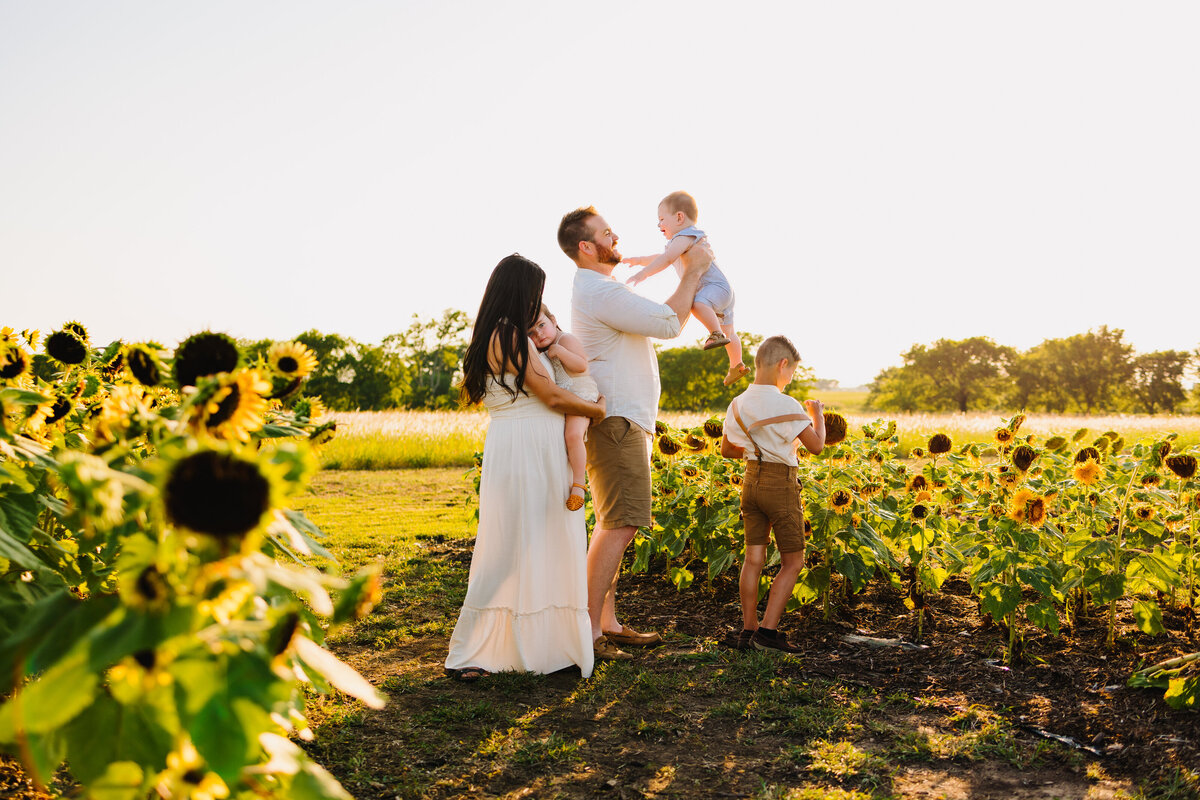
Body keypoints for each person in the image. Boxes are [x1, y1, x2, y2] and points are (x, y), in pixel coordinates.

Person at [558, 205, 711, 661]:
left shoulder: (601, 289)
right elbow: (668, 324)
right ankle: (587, 633)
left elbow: (667, 321)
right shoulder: (597, 289)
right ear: (586, 247)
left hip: (627, 419)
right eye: (606, 233)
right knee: (621, 523)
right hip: (618, 420)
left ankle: (606, 623)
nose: (615, 236)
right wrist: (695, 270)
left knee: (613, 522)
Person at [445, 254, 606, 682]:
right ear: (520, 291)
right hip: (525, 446)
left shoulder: (503, 334)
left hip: (532, 443)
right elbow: (551, 396)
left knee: (542, 540)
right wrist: (596, 409)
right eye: (535, 290)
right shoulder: (508, 334)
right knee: (512, 542)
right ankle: (475, 650)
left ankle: (547, 646)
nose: (539, 299)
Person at [720, 335, 826, 653]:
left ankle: (747, 630)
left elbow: (726, 449)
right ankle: (767, 633)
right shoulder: (786, 404)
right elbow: (817, 445)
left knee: (753, 559)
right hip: (780, 485)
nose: (790, 377)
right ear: (783, 365)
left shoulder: (737, 403)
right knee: (793, 560)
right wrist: (817, 414)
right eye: (791, 371)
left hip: (750, 482)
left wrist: (759, 452)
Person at [623, 191, 748, 387]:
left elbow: (666, 259)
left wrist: (644, 273)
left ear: (679, 217)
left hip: (713, 288)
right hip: (723, 291)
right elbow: (662, 256)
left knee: (697, 303)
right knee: (730, 331)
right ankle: (736, 365)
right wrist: (640, 260)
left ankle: (715, 334)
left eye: (662, 219)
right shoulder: (682, 242)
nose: (659, 225)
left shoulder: (686, 236)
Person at [528, 303, 598, 511]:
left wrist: (560, 352)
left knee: (573, 436)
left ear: (554, 320)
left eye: (542, 325)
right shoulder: (539, 350)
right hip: (566, 399)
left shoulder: (564, 340)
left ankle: (579, 484)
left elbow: (582, 365)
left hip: (581, 395)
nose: (539, 334)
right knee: (563, 439)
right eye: (531, 332)